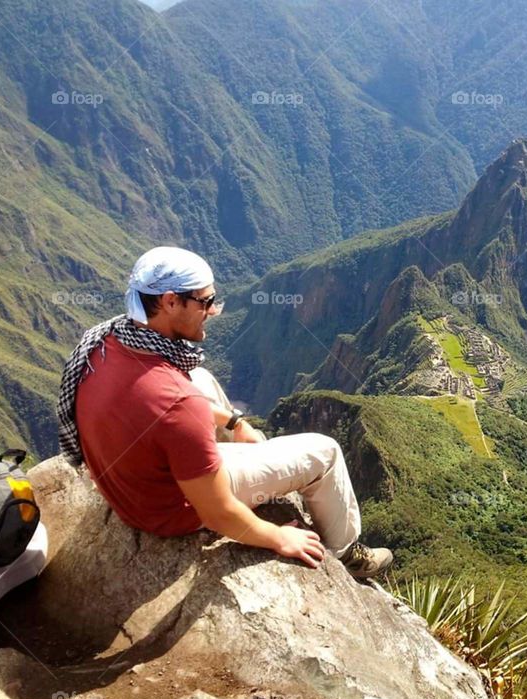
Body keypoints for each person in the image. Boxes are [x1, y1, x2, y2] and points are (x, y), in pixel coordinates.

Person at [55, 246, 392, 578]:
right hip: (169, 510)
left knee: (199, 377)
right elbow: (216, 512)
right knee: (326, 452)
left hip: (128, 485)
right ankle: (347, 554)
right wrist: (278, 537)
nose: (214, 311)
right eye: (206, 301)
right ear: (170, 301)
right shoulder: (178, 403)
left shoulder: (103, 342)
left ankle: (240, 453)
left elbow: (167, 402)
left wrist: (234, 421)